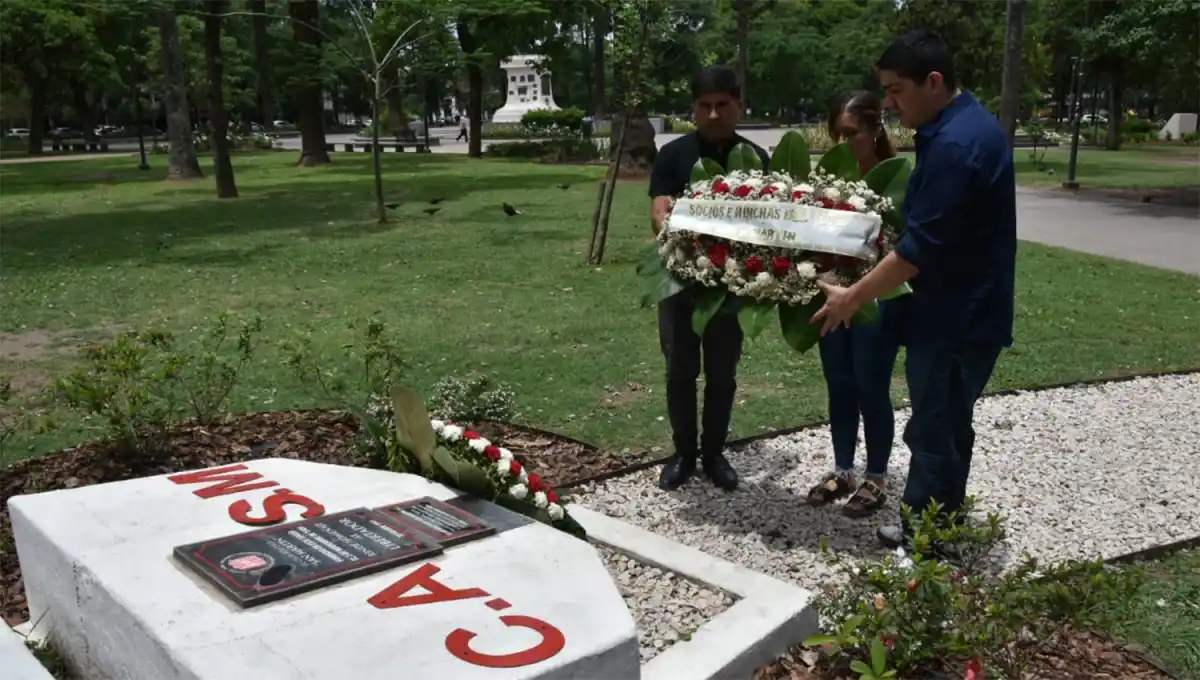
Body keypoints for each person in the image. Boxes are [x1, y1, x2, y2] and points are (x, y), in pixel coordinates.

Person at [809, 30, 1017, 548]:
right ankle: (936, 527)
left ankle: (929, 550)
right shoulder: (964, 125)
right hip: (963, 313)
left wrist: (851, 297)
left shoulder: (955, 145)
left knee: (934, 432)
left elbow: (919, 249)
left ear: (935, 82)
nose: (891, 104)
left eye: (897, 90)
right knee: (945, 427)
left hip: (955, 321)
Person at [649, 65, 770, 492]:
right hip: (680, 284)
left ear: (739, 105)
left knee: (722, 374)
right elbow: (660, 212)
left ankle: (715, 453)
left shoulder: (756, 158)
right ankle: (683, 454)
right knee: (680, 371)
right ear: (693, 109)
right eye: (705, 106)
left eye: (723, 105)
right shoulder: (674, 155)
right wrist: (682, 237)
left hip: (731, 291)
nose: (715, 114)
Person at [805, 90, 905, 518]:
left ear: (875, 128)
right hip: (832, 296)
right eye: (836, 135)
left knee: (870, 385)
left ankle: (877, 476)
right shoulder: (827, 182)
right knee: (840, 383)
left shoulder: (897, 178)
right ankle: (843, 469)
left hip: (876, 300)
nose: (843, 143)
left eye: (852, 133)